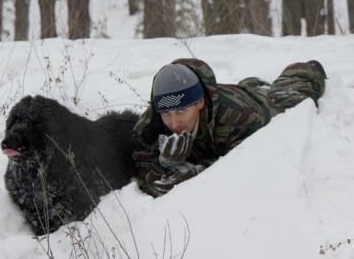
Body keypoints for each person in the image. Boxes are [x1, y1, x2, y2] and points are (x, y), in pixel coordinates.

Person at [132, 58, 326, 197]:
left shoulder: (240, 117)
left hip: (260, 108)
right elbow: (142, 166)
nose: (173, 123)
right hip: (233, 98)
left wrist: (193, 173)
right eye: (166, 113)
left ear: (199, 103)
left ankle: (305, 70)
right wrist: (166, 166)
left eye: (181, 111)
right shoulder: (153, 123)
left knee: (294, 97)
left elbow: (240, 167)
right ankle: (251, 85)